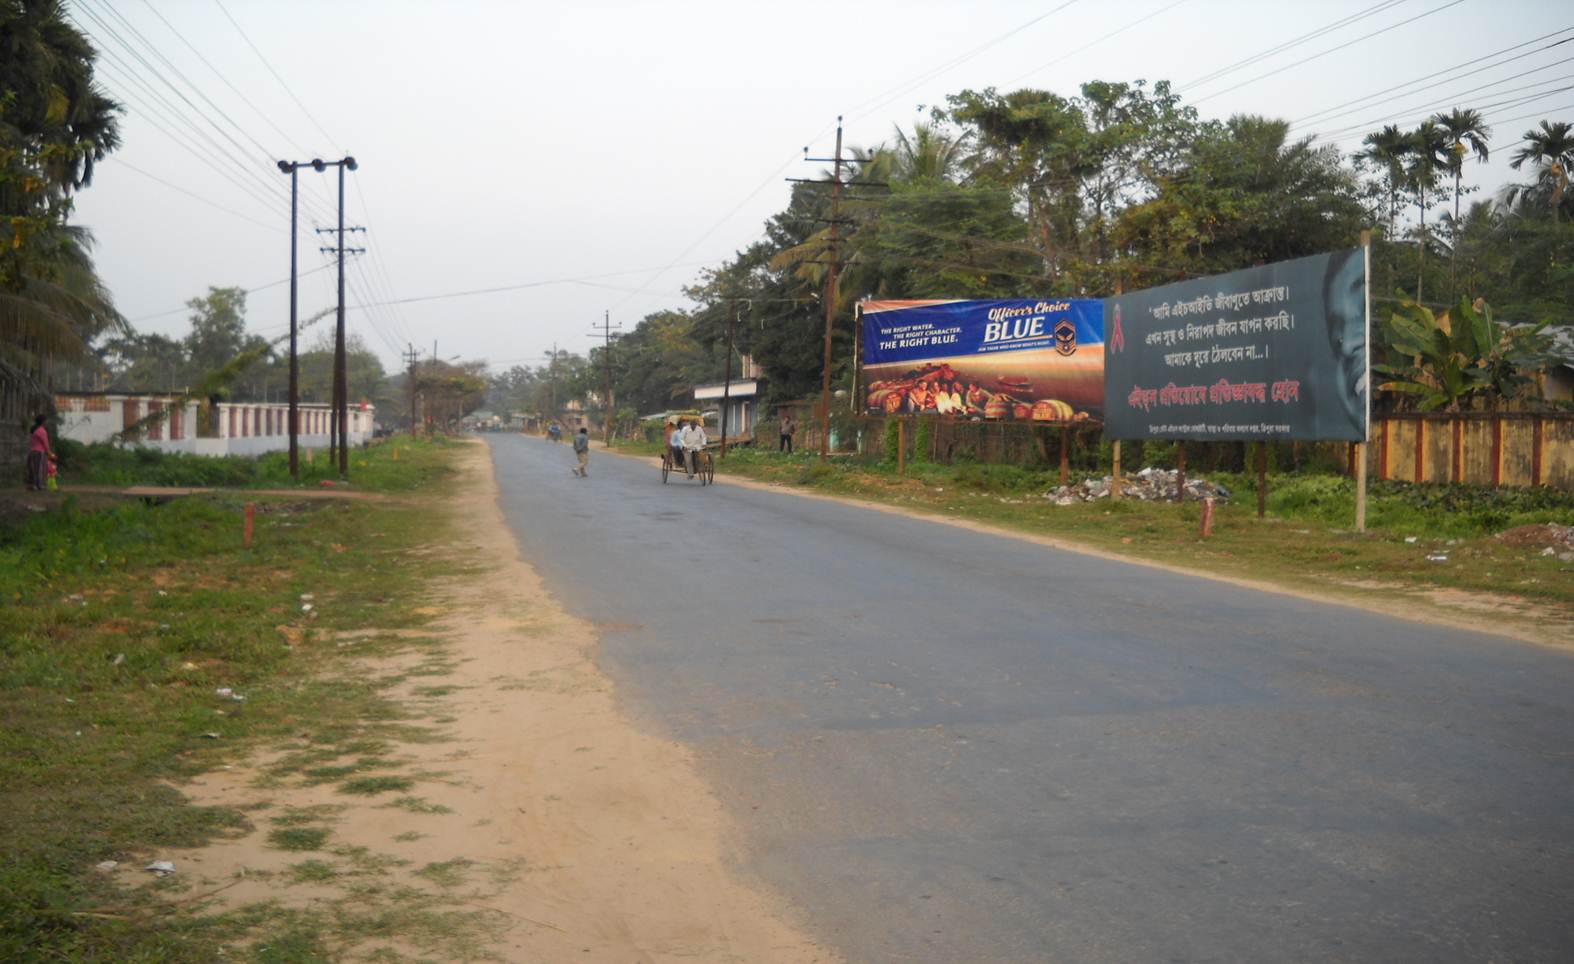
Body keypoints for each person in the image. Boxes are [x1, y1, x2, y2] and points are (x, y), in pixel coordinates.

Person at [26, 414, 54, 491]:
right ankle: (39, 485)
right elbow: (45, 443)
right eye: (46, 420)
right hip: (40, 452)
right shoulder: (42, 431)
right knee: (39, 469)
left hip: (33, 451)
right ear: (43, 422)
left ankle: (33, 485)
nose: (47, 422)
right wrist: (50, 453)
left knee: (34, 469)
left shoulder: (35, 430)